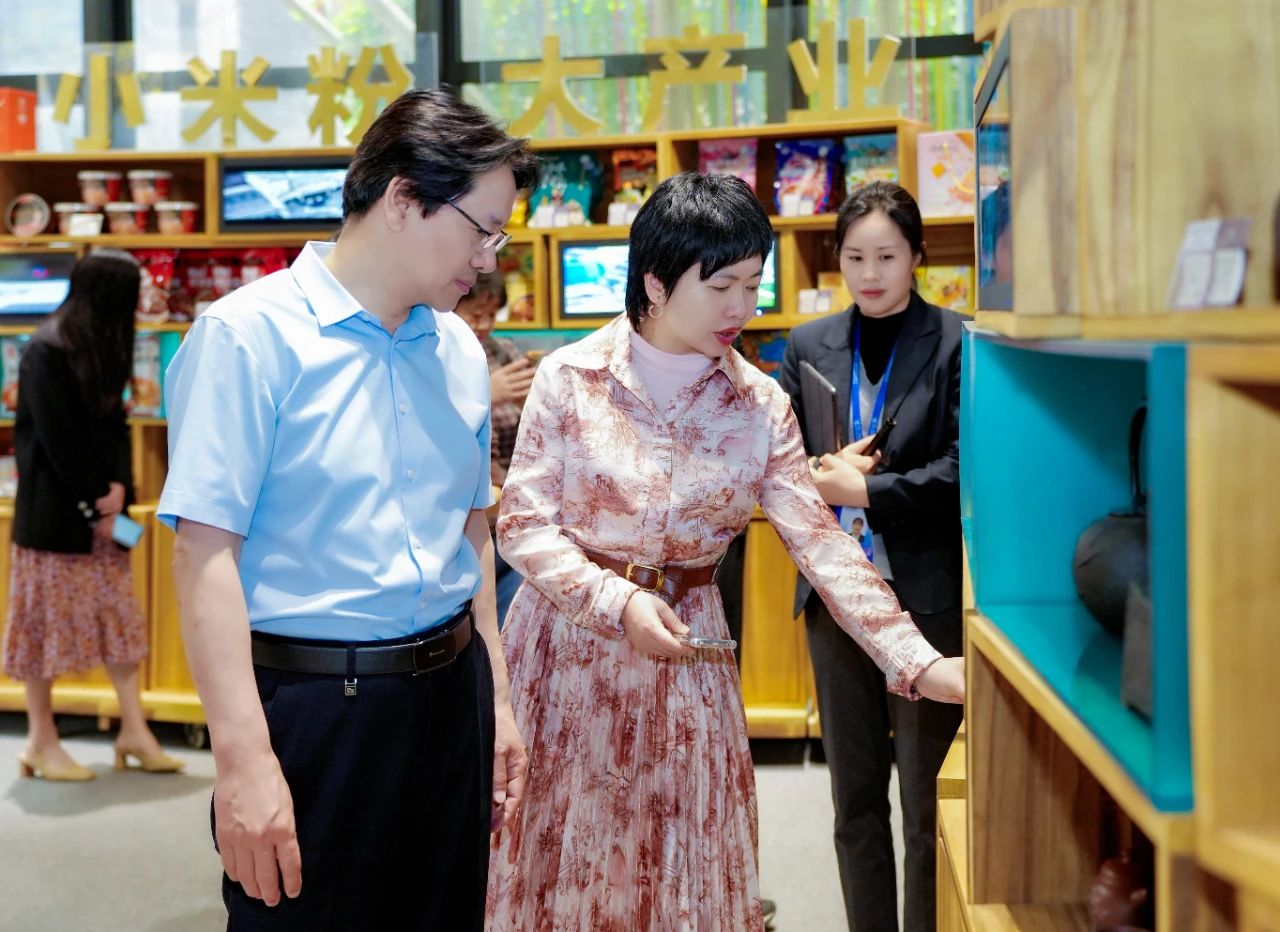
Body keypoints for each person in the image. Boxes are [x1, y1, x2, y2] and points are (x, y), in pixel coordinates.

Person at [485, 171, 964, 930]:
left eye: (753, 284)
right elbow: (522, 524)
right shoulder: (569, 379)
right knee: (570, 867)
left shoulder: (759, 405)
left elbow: (823, 545)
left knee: (684, 870)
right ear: (656, 282)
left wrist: (918, 661)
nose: (742, 308)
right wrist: (618, 601)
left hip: (690, 664)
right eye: (721, 286)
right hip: (568, 656)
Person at [158, 89, 539, 930]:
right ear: (403, 199)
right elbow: (204, 557)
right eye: (482, 231)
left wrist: (500, 705)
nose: (488, 261)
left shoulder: (457, 348)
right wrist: (242, 762)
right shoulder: (246, 338)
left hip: (453, 698)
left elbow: (471, 529)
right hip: (317, 711)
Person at [779, 180, 966, 932]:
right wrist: (819, 476)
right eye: (855, 257)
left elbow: (964, 469)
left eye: (887, 255)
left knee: (924, 800)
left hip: (923, 599)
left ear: (917, 256)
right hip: (835, 600)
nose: (870, 273)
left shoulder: (957, 340)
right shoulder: (808, 343)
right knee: (853, 798)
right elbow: (778, 463)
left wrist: (868, 490)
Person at [3, 249, 183, 781]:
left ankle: (135, 731)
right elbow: (56, 441)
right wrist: (93, 502)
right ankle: (40, 740)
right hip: (55, 523)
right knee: (42, 633)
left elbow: (117, 427)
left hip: (103, 519)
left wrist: (120, 490)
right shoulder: (46, 349)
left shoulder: (102, 342)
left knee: (122, 625)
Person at [454, 269, 535, 627]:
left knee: (511, 620)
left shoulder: (504, 352)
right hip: (472, 516)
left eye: (491, 314)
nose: (485, 324)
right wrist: (488, 393)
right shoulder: (440, 354)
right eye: (475, 314)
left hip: (512, 512)